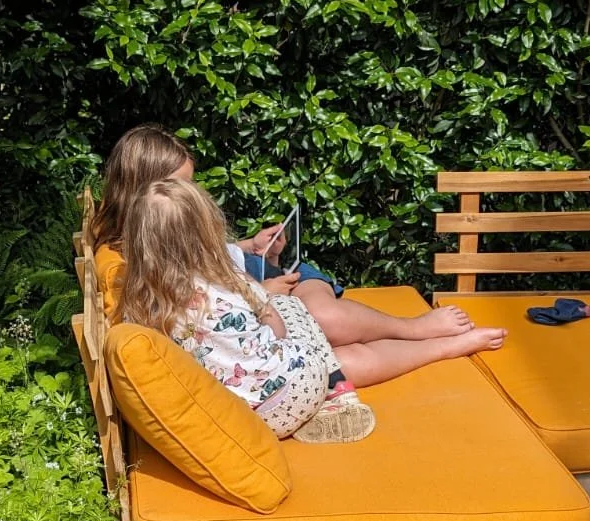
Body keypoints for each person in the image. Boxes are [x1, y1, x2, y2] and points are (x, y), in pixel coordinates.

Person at [118, 180, 506, 443]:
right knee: (298, 312)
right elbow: (279, 333)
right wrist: (271, 309)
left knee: (342, 357)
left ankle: (440, 345)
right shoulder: (227, 288)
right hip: (296, 389)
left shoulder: (140, 304)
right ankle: (432, 339)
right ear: (205, 233)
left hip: (252, 418)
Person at [93, 124, 474, 347]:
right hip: (254, 285)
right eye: (183, 186)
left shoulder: (150, 229)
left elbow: (202, 260)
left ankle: (412, 329)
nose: (193, 196)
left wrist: (250, 248)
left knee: (324, 315)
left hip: (258, 275)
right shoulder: (130, 251)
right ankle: (400, 336)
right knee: (327, 332)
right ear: (144, 189)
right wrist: (259, 296)